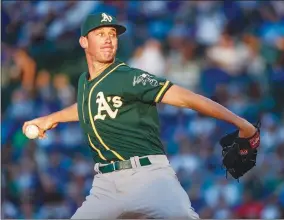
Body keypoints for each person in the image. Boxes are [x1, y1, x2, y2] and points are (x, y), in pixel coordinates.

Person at [23, 12, 257, 219]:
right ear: (84, 41)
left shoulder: (129, 77)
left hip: (148, 177)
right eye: (100, 33)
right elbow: (87, 107)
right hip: (105, 185)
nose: (108, 38)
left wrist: (240, 122)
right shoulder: (86, 81)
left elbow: (188, 98)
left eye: (112, 34)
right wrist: (51, 118)